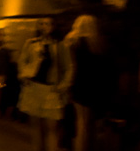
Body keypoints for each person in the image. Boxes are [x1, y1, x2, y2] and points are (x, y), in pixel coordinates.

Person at [18, 16, 73, 151]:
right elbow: (22, 61)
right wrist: (24, 75)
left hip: (51, 89)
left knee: (51, 128)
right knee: (36, 126)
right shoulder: (31, 43)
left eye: (47, 24)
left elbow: (69, 67)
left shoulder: (60, 45)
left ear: (53, 26)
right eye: (41, 24)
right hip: (34, 87)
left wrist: (63, 85)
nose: (44, 26)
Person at [65, 15, 106, 151]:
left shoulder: (74, 41)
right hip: (93, 86)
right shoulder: (97, 43)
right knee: (88, 124)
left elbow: (71, 65)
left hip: (78, 83)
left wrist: (68, 85)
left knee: (80, 123)